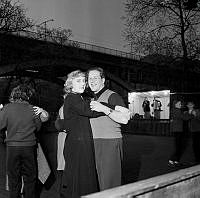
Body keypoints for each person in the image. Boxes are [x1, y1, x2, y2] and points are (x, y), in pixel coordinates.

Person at [60, 70, 114, 198]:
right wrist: (111, 107)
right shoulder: (72, 98)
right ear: (70, 83)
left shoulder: (78, 98)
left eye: (84, 81)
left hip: (79, 142)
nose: (83, 83)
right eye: (78, 81)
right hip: (78, 144)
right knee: (81, 177)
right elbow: (90, 110)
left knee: (80, 177)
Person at [0, 84, 49, 198]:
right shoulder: (33, 109)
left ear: (14, 95)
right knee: (30, 178)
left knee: (13, 178)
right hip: (29, 147)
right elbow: (38, 128)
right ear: (28, 95)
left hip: (12, 148)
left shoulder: (7, 108)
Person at [87, 67, 130, 191]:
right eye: (90, 78)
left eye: (95, 78)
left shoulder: (112, 96)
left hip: (109, 142)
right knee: (98, 182)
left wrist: (104, 109)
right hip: (94, 142)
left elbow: (125, 118)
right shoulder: (92, 98)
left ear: (103, 80)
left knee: (110, 182)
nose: (92, 80)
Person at [168, 100, 190, 167]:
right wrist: (190, 113)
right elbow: (185, 118)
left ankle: (176, 161)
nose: (181, 105)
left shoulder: (176, 110)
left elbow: (182, 116)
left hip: (178, 130)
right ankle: (171, 161)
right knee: (178, 146)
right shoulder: (176, 110)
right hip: (177, 130)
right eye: (179, 104)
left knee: (179, 146)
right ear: (175, 104)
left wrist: (186, 113)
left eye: (181, 103)